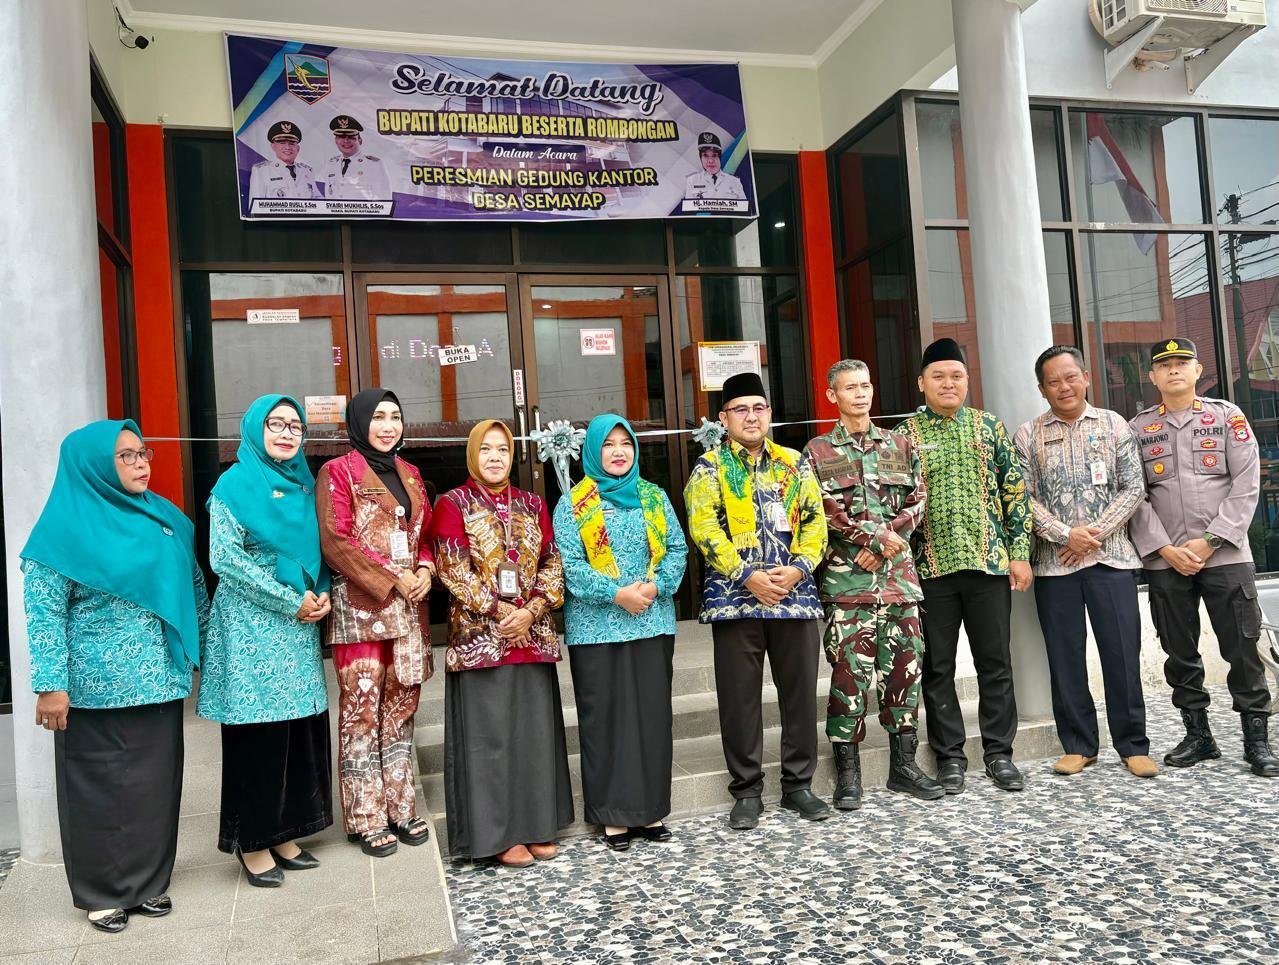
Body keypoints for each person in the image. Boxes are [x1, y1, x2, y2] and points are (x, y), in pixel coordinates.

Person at [22, 420, 208, 933]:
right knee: (97, 791)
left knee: (155, 787)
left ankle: (147, 882)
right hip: (92, 689)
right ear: (93, 465)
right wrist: (50, 685)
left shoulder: (165, 518)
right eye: (126, 456)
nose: (141, 463)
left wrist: (205, 650)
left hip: (160, 679)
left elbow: (193, 587)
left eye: (142, 452)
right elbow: (43, 614)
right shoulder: (62, 531)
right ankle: (102, 892)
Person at [684, 371, 830, 830]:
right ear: (723, 418)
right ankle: (746, 791)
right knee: (739, 700)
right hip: (735, 601)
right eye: (741, 409)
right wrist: (746, 575)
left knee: (799, 695)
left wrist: (799, 568)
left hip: (794, 597)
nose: (751, 417)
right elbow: (703, 528)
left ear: (770, 414)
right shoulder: (709, 468)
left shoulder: (793, 463)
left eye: (759, 408)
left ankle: (798, 786)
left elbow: (816, 522)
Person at [199, 395, 334, 887]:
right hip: (251, 629)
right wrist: (287, 600)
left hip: (298, 627)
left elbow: (319, 550)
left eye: (295, 426)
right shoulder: (233, 485)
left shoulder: (303, 485)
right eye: (275, 424)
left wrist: (321, 592)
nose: (286, 433)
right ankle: (252, 841)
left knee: (294, 732)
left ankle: (284, 832)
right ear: (256, 429)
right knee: (257, 736)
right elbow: (225, 560)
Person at [1128, 337, 1279, 777]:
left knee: (1242, 649)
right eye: (1164, 365)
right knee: (1179, 651)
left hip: (1225, 555)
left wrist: (1211, 540)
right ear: (1152, 376)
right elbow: (1134, 495)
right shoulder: (1138, 429)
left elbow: (1246, 483)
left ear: (1197, 370)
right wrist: (1164, 548)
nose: (1174, 370)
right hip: (1166, 559)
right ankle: (1198, 736)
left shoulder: (1227, 417)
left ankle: (1256, 740)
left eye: (1182, 362)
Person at [429, 420, 572, 867]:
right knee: (490, 739)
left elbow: (552, 562)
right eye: (486, 449)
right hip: (481, 640)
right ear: (473, 455)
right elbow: (453, 569)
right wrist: (501, 612)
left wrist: (531, 610)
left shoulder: (532, 503)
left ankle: (537, 825)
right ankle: (499, 835)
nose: (495, 457)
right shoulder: (452, 503)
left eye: (503, 450)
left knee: (532, 736)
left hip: (532, 635)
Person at [804, 360, 944, 809]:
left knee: (905, 672)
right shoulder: (817, 451)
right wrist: (874, 539)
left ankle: (904, 767)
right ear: (833, 396)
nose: (860, 394)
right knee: (848, 678)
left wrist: (886, 542)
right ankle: (848, 776)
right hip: (848, 585)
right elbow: (821, 509)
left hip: (899, 583)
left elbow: (917, 499)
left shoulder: (900, 445)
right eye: (850, 388)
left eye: (865, 385)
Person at [1013, 346, 1156, 779]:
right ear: (1042, 389)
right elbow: (1021, 498)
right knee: (1065, 657)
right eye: (1053, 381)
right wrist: (1065, 535)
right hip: (1055, 566)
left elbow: (1134, 488)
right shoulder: (1028, 434)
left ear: (1086, 377)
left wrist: (1091, 536)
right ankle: (1078, 745)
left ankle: (1133, 745)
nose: (1064, 386)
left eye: (1071, 377)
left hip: (1111, 561)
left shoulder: (1114, 425)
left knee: (1122, 653)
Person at [900, 338, 1033, 793]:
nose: (948, 383)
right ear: (921, 383)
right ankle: (950, 757)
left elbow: (1015, 492)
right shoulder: (904, 435)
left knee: (995, 663)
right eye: (938, 376)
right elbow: (894, 503)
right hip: (929, 571)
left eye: (956, 375)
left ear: (967, 381)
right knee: (937, 668)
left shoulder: (989, 427)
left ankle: (999, 754)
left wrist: (1019, 554)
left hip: (988, 565)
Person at [553, 414, 688, 851]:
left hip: (652, 621)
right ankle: (612, 814)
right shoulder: (573, 504)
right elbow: (570, 566)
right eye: (608, 444)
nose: (617, 452)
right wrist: (616, 594)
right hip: (597, 630)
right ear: (593, 451)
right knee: (606, 721)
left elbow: (677, 549)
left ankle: (650, 810)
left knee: (651, 718)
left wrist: (655, 586)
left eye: (625, 443)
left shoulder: (653, 496)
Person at [317, 389, 434, 857]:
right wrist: (393, 579)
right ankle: (366, 816)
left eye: (395, 417)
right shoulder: (338, 472)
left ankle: (401, 807)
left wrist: (425, 569)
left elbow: (424, 535)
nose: (388, 426)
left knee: (401, 708)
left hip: (409, 611)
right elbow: (336, 540)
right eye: (379, 417)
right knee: (361, 712)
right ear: (359, 423)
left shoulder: (411, 473)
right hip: (363, 612)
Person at [322, 115, 391, 200]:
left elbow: (384, 199)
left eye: (351, 137)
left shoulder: (374, 164)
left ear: (360, 140)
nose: (346, 141)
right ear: (336, 141)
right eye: (341, 137)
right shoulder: (331, 164)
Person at [247, 120, 317, 200]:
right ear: (273, 146)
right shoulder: (261, 171)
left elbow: (318, 200)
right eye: (282, 143)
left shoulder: (307, 171)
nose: (287, 147)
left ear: (297, 148)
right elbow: (256, 205)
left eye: (292, 143)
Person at [683, 132, 747, 201]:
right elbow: (688, 207)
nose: (710, 161)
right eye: (705, 155)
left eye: (714, 155)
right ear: (700, 158)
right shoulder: (692, 181)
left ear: (719, 157)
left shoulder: (735, 181)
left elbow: (744, 206)